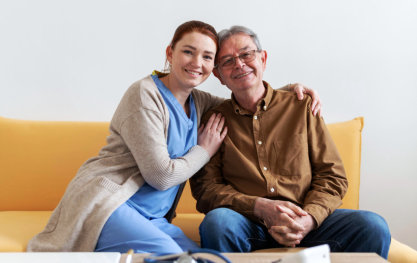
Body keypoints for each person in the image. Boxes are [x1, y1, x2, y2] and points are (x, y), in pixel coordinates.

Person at [26, 21, 321, 253]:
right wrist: (204, 151)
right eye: (188, 52)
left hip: (153, 220)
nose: (197, 62)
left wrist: (289, 91)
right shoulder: (144, 95)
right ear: (170, 53)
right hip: (110, 205)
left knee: (201, 258)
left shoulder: (199, 101)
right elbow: (161, 177)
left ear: (214, 69)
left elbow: (244, 97)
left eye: (207, 56)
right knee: (173, 256)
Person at [190, 25, 391, 259]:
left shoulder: (301, 106)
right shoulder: (215, 119)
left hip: (307, 220)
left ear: (263, 59)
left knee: (372, 225)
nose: (239, 64)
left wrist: (309, 218)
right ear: (219, 75)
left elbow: (332, 175)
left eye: (246, 54)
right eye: (227, 60)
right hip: (248, 222)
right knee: (218, 223)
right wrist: (259, 206)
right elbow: (206, 188)